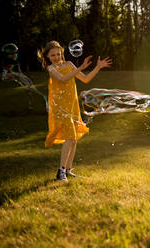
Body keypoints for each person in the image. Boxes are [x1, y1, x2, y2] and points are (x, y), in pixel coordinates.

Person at [38, 41, 112, 181]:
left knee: (74, 139)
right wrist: (80, 68)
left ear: (62, 53)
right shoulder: (51, 68)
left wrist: (97, 67)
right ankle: (60, 172)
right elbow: (63, 79)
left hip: (72, 105)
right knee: (70, 137)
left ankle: (67, 169)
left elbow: (85, 79)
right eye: (52, 55)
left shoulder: (69, 65)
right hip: (60, 107)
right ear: (47, 57)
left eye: (58, 54)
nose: (56, 57)